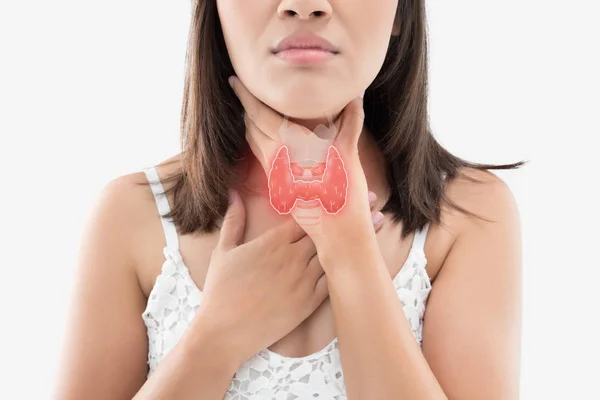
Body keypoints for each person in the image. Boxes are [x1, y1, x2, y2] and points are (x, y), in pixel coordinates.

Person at [55, 1, 524, 399]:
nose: (303, 3)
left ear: (401, 11)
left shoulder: (470, 216)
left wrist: (351, 254)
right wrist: (215, 338)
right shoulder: (129, 217)